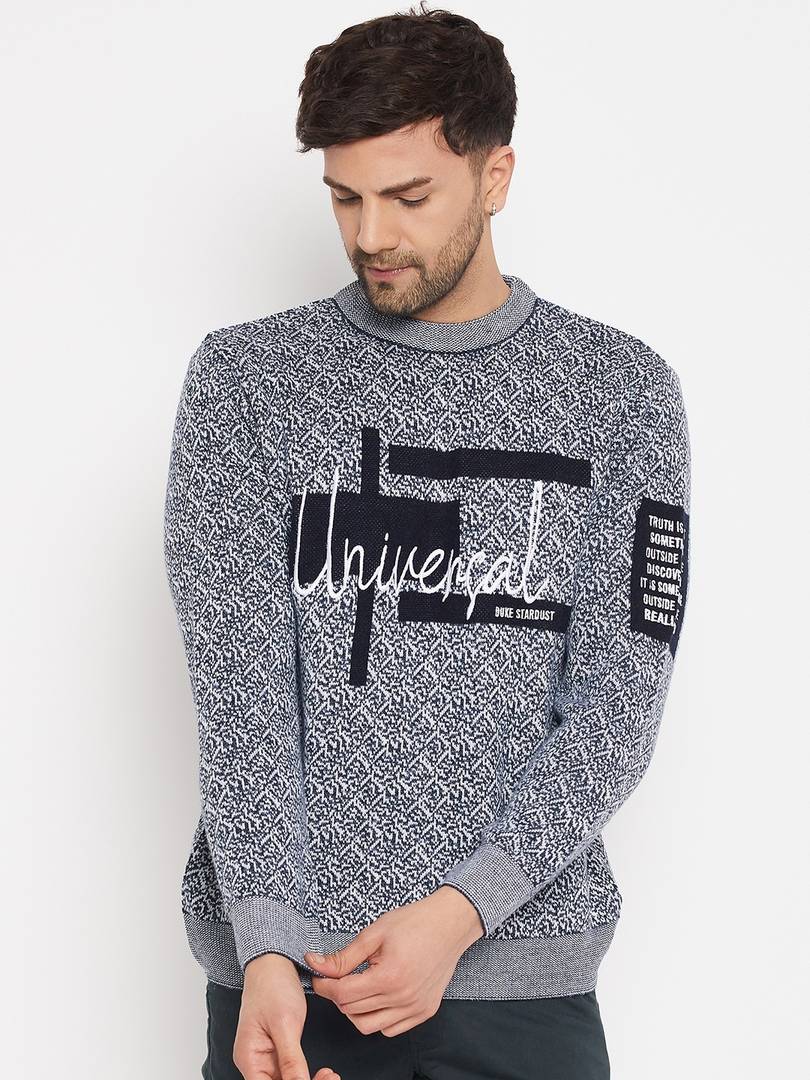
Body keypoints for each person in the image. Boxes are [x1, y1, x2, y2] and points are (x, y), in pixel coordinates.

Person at [163, 5, 691, 1079]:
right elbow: (241, 695)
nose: (370, 236)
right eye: (344, 197)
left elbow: (617, 708)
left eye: (408, 198)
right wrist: (267, 947)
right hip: (288, 985)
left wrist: (460, 913)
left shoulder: (622, 394)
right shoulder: (247, 384)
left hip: (522, 989)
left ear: (496, 176)